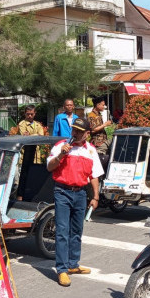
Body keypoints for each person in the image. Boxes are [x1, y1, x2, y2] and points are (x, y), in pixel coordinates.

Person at [46, 118, 103, 287]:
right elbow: (50, 167)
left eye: (79, 131)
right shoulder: (61, 146)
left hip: (80, 194)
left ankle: (73, 264)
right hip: (62, 192)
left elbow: (94, 175)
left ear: (87, 134)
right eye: (74, 130)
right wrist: (62, 154)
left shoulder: (91, 150)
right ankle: (62, 269)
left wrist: (95, 196)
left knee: (77, 230)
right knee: (62, 231)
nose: (75, 133)